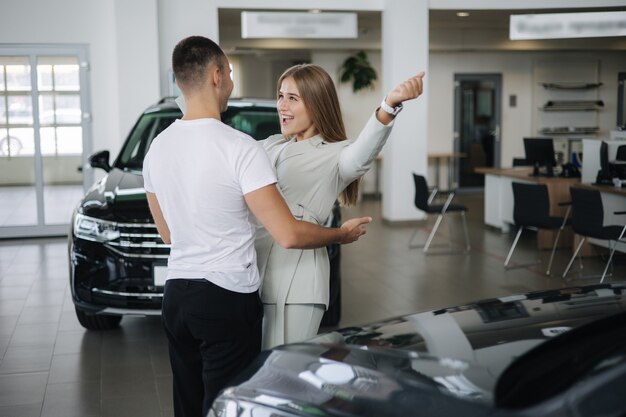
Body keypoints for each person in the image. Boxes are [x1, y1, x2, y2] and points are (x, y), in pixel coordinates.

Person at [142, 36, 372, 417]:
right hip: (224, 298)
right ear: (216, 76)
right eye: (229, 74)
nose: (231, 82)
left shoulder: (158, 148)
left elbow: (169, 234)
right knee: (233, 402)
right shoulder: (241, 147)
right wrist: (340, 235)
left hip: (176, 298)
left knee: (187, 404)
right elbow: (287, 233)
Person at [256, 64, 425, 349]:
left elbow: (362, 153)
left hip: (298, 284)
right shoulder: (271, 145)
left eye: (293, 98)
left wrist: (389, 105)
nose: (282, 106)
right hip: (257, 275)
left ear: (317, 103)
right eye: (280, 95)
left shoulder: (337, 154)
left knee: (286, 371)